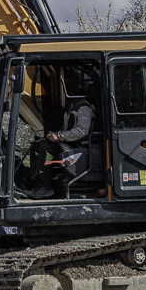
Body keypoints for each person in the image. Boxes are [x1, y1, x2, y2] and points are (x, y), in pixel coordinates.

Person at [22, 70, 98, 198]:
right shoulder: (71, 108)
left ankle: (45, 186)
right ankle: (35, 180)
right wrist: (52, 136)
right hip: (67, 143)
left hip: (78, 146)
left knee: (45, 149)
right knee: (37, 145)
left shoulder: (84, 108)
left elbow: (82, 131)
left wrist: (59, 136)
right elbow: (65, 129)